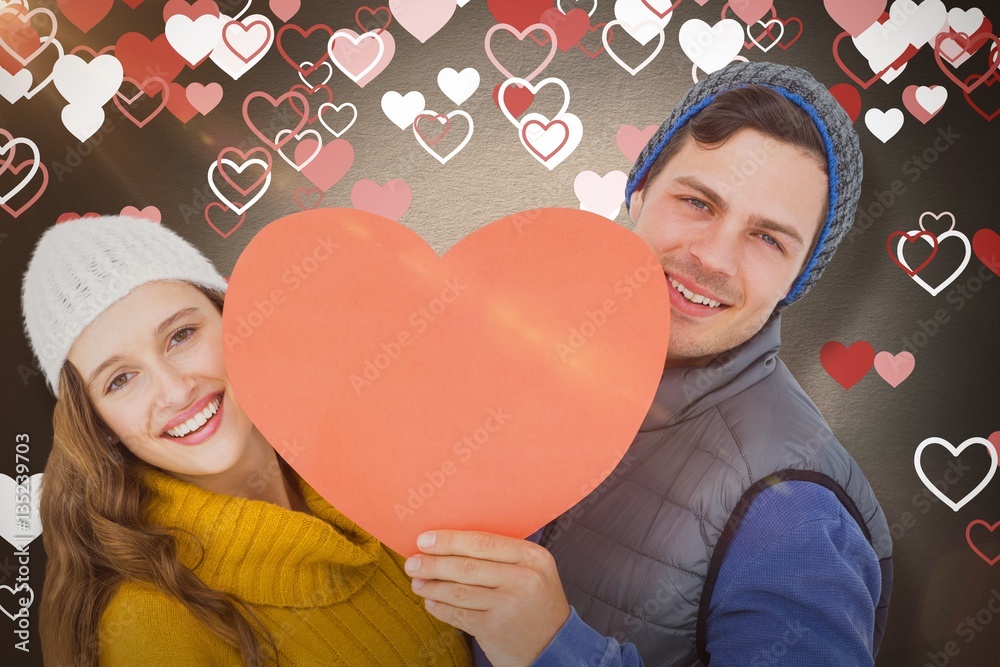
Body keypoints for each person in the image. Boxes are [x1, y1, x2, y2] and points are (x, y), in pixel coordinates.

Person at [402, 61, 892, 666]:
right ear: (638, 193)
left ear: (798, 280)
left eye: (768, 239)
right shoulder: (504, 355)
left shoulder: (795, 510)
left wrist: (553, 647)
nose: (711, 256)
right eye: (697, 202)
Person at [21, 215, 473, 666]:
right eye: (120, 380)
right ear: (97, 425)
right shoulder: (149, 629)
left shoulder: (393, 470)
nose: (176, 391)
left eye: (181, 335)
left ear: (233, 317)